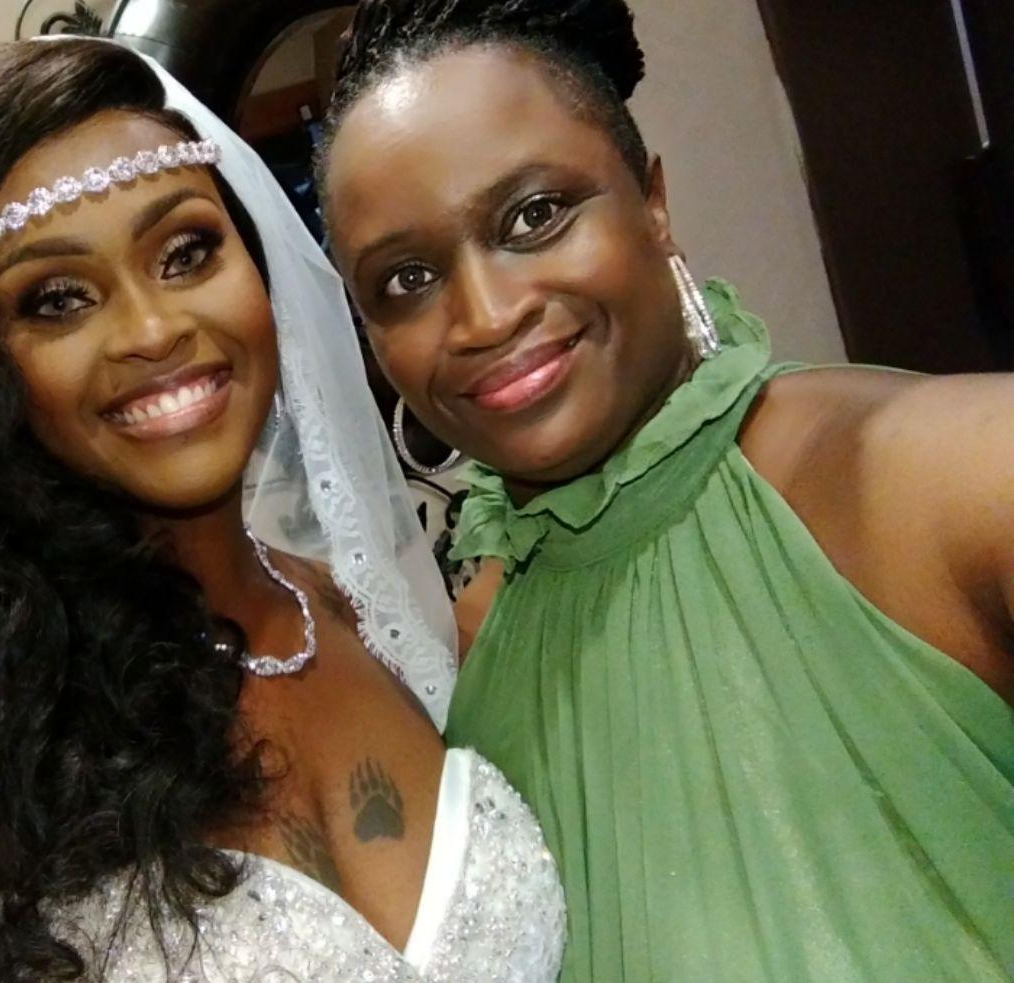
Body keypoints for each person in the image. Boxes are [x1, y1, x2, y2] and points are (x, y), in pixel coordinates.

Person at [0, 38, 565, 983]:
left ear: (260, 270)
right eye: (59, 300)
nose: (153, 329)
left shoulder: (366, 618)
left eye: (187, 253)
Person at [317, 1, 1014, 981]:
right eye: (406, 279)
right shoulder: (485, 636)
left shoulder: (937, 477)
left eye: (534, 215)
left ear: (653, 203)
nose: (484, 315)